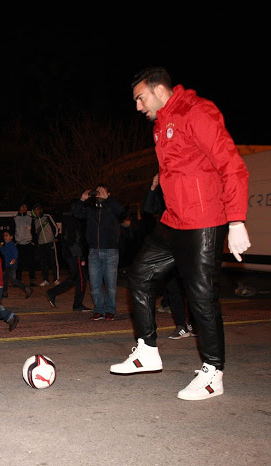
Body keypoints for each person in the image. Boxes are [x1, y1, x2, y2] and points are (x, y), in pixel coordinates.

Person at [110, 66, 250, 401]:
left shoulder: (197, 112)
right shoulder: (161, 125)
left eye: (140, 98)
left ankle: (213, 374)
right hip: (174, 220)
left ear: (159, 90)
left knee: (201, 297)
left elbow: (231, 165)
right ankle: (147, 350)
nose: (138, 107)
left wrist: (236, 220)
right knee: (140, 274)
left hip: (204, 220)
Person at [142, 173, 195, 340]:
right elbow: (148, 209)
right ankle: (181, 326)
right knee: (172, 286)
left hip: (187, 239)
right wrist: (153, 187)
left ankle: (195, 323)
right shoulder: (161, 193)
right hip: (168, 242)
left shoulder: (185, 185)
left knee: (192, 286)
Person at [73, 184, 125, 321]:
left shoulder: (112, 207)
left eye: (103, 190)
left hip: (110, 251)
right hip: (94, 251)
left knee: (110, 284)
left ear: (108, 193)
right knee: (95, 284)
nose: (99, 192)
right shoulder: (91, 209)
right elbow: (77, 214)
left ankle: (110, 310)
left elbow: (122, 212)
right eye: (98, 190)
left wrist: (108, 199)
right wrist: (82, 199)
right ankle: (99, 310)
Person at [46, 199, 91, 311]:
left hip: (69, 253)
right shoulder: (72, 220)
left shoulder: (67, 218)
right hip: (73, 253)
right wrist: (80, 256)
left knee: (75, 277)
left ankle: (53, 292)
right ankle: (77, 304)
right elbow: (72, 240)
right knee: (81, 277)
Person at [31, 203, 59, 287]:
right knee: (44, 263)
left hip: (50, 242)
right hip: (41, 244)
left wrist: (56, 236)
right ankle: (46, 280)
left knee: (53, 262)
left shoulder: (47, 217)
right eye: (35, 210)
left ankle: (56, 279)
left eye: (38, 209)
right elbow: (33, 233)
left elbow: (55, 227)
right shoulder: (34, 220)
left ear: (41, 210)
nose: (37, 211)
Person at [0, 230, 32, 299]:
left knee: (13, 280)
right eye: (4, 236)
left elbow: (15, 253)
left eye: (6, 235)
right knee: (4, 278)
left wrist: (14, 259)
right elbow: (4, 253)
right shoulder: (7, 245)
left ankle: (26, 289)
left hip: (11, 266)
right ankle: (4, 292)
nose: (5, 237)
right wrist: (1, 247)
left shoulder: (11, 244)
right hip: (8, 265)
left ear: (11, 237)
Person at [13, 203, 36, 287]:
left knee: (31, 262)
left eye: (25, 206)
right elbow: (13, 230)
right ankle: (18, 280)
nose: (24, 208)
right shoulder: (15, 218)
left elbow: (33, 230)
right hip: (18, 244)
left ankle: (32, 280)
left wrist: (33, 242)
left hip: (28, 243)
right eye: (22, 206)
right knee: (18, 263)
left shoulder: (30, 218)